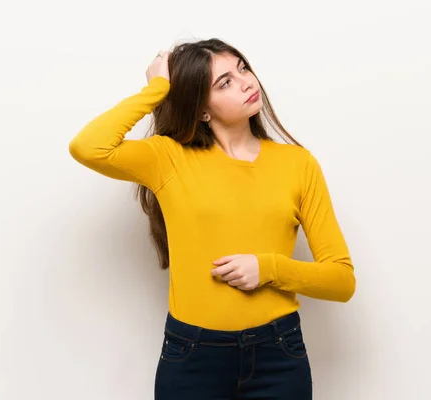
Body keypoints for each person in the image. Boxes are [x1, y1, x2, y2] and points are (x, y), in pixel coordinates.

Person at [69, 37, 356, 400]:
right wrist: (158, 88)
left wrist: (269, 269)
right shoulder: (168, 159)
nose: (247, 82)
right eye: (225, 82)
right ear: (202, 109)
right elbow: (87, 147)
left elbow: (342, 280)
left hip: (278, 354)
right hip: (192, 356)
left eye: (242, 68)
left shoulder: (298, 164)